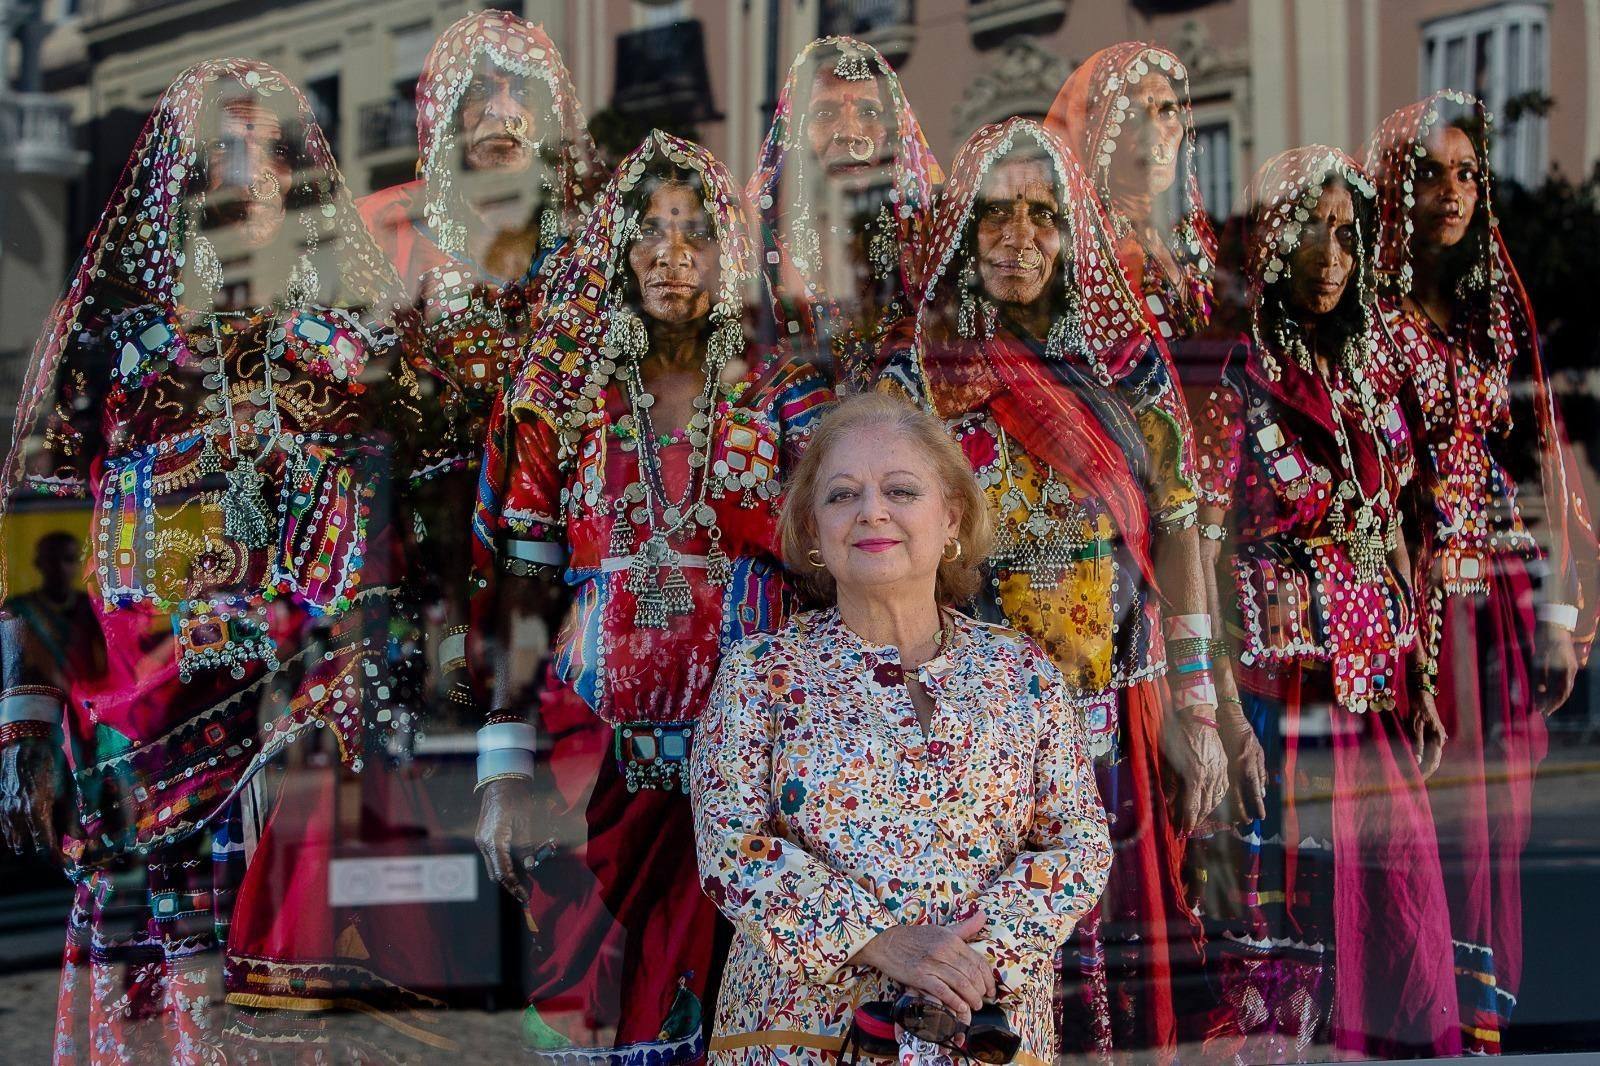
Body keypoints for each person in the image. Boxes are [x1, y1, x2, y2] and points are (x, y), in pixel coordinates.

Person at [0, 59, 445, 1061]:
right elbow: (39, 525)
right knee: (163, 984)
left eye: (262, 143)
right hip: (135, 715)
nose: (240, 166)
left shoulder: (346, 344)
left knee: (290, 994)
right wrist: (22, 715)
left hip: (295, 720)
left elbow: (403, 530)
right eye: (216, 145)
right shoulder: (104, 344)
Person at [878, 117, 1252, 1060]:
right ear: (961, 231)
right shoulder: (918, 381)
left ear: (1071, 230)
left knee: (1120, 985)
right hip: (970, 731)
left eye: (1041, 213)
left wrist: (1195, 705)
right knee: (994, 986)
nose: (1018, 236)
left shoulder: (1126, 373)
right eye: (994, 213)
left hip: (1119, 712)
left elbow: (1178, 544)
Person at [470, 130, 832, 1062]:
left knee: (758, 1013)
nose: (674, 255)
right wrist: (504, 766)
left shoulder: (788, 393)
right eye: (652, 232)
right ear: (619, 252)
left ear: (730, 252)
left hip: (760, 766)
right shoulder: (563, 401)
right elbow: (523, 585)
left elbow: (838, 573)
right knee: (602, 1013)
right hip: (594, 766)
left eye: (697, 233)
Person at [690, 391, 1111, 1066]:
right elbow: (730, 848)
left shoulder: (1021, 672)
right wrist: (882, 941)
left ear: (952, 520)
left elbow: (1079, 846)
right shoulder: (760, 674)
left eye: (901, 489)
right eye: (842, 496)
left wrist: (965, 960)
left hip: (977, 1038)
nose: (871, 511)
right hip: (798, 1042)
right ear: (815, 534)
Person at [1191, 145, 1460, 1059]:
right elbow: (1204, 544)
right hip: (1278, 694)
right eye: (1315, 230)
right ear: (1272, 240)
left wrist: (1419, 675)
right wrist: (1222, 710)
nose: (1334, 254)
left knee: (1392, 909)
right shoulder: (1235, 375)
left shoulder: (1365, 370)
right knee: (1288, 927)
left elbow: (1394, 531)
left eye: (1349, 233)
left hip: (1366, 688)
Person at [1364, 91, 1599, 1051]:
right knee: (1434, 823)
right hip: (1421, 607)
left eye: (1469, 175)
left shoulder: (1492, 307)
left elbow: (1546, 451)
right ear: (1394, 190)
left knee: (1499, 818)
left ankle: (1490, 1018)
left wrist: (1560, 611)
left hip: (1501, 593)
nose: (1454, 193)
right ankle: (1436, 1015)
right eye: (1431, 174)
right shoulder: (1370, 319)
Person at [357, 10, 604, 723]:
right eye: (478, 95)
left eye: (518, 94)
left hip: (565, 559)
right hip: (429, 559)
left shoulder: (595, 238)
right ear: (445, 115)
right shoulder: (387, 231)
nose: (499, 114)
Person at [748, 36, 942, 392]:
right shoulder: (757, 242)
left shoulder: (927, 241)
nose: (850, 135)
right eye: (824, 114)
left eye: (869, 113)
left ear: (894, 131)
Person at [1047, 42, 1218, 348]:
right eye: (1133, 116)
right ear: (1097, 136)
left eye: (1167, 111)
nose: (1155, 135)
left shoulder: (1191, 242)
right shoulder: (1089, 254)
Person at [1, 532, 96, 688]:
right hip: (34, 698)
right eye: (52, 560)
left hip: (85, 698)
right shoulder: (18, 608)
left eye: (69, 559)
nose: (61, 567)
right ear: (38, 563)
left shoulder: (90, 606)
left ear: (79, 564)